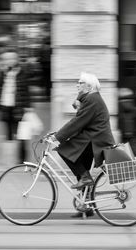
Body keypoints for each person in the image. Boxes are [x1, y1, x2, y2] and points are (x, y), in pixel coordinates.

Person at [49, 73, 115, 218]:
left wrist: (57, 136)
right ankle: (87, 206)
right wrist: (77, 99)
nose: (77, 85)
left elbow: (77, 122)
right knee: (81, 169)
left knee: (63, 150)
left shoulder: (92, 99)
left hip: (95, 140)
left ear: (89, 86)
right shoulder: (91, 98)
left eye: (80, 83)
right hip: (93, 138)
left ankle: (85, 179)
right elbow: (81, 116)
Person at [0, 51, 32, 163]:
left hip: (19, 107)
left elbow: (26, 91)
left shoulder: (22, 72)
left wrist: (28, 107)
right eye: (6, 59)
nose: (9, 61)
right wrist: (2, 71)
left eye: (11, 58)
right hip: (6, 107)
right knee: (7, 134)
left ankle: (22, 159)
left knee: (21, 133)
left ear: (16, 60)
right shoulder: (3, 73)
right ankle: (8, 159)